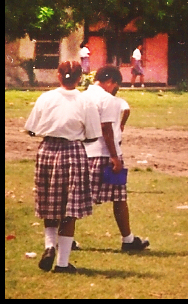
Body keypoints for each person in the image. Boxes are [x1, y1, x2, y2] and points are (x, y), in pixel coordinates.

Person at [24, 61, 101, 273]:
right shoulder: (86, 101)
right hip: (72, 151)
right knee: (70, 208)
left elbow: (31, 129)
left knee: (49, 203)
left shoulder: (46, 98)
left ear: (59, 75)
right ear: (80, 77)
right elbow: (93, 134)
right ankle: (62, 263)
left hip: (47, 150)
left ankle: (49, 246)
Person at [84, 66, 150, 251]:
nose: (115, 90)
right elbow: (106, 130)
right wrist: (115, 156)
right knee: (119, 197)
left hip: (83, 152)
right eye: (115, 86)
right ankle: (128, 240)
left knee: (76, 198)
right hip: (105, 154)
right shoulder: (108, 100)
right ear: (110, 81)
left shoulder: (82, 96)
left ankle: (64, 238)